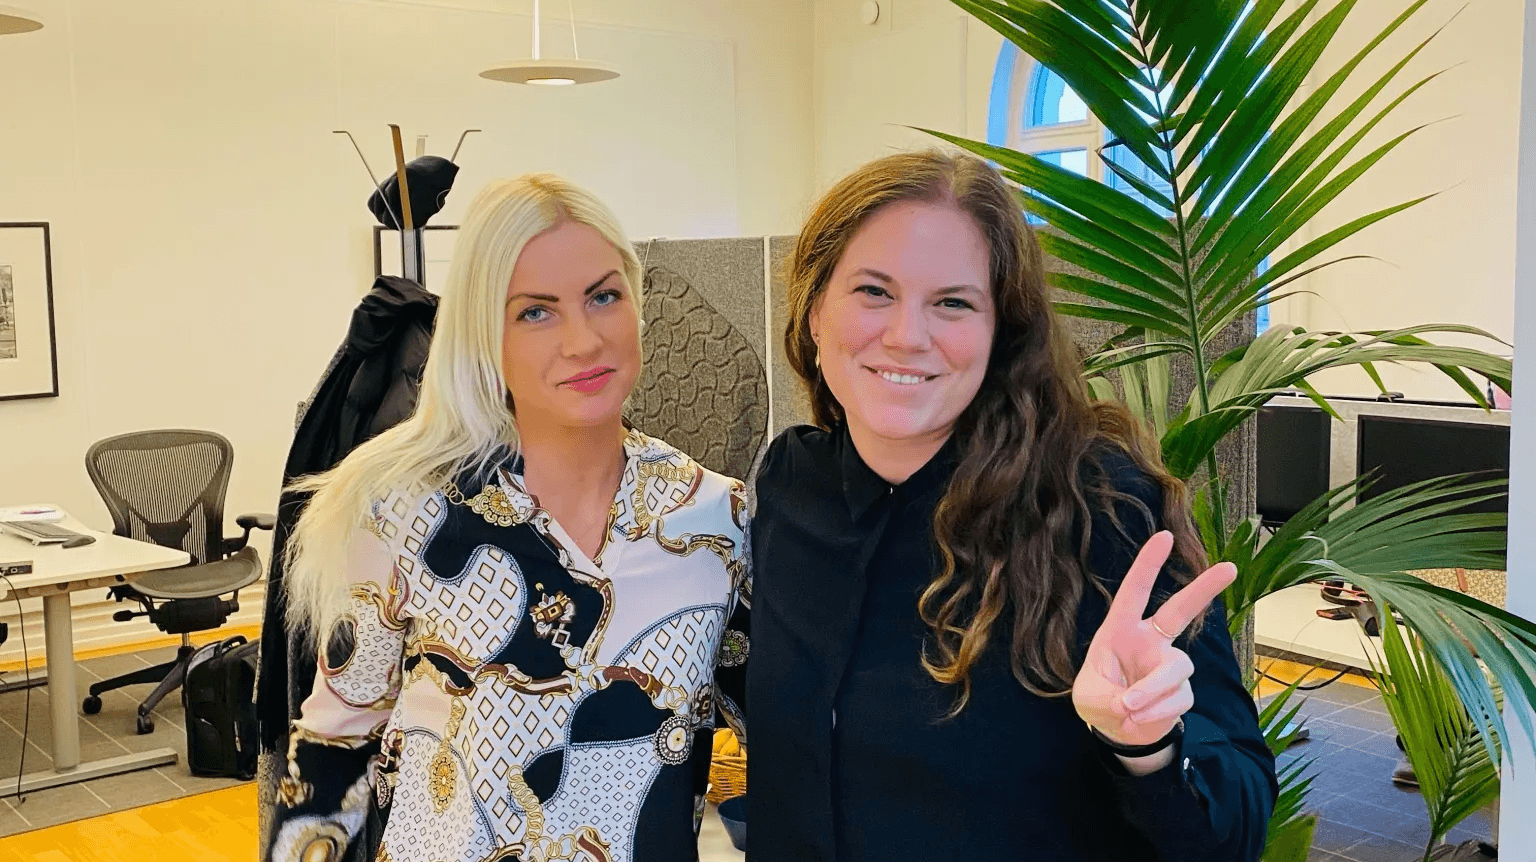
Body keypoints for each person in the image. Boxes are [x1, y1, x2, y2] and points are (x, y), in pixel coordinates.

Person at [746, 150, 1277, 861]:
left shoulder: (1101, 510)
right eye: (873, 291)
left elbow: (1237, 826)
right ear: (816, 312)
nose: (907, 335)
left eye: (953, 303)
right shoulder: (789, 483)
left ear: (1001, 333)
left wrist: (1147, 748)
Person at [267, 174, 751, 862]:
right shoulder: (406, 511)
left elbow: (797, 743)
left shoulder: (716, 520)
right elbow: (332, 748)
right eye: (535, 312)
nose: (584, 341)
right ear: (484, 338)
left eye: (603, 297)